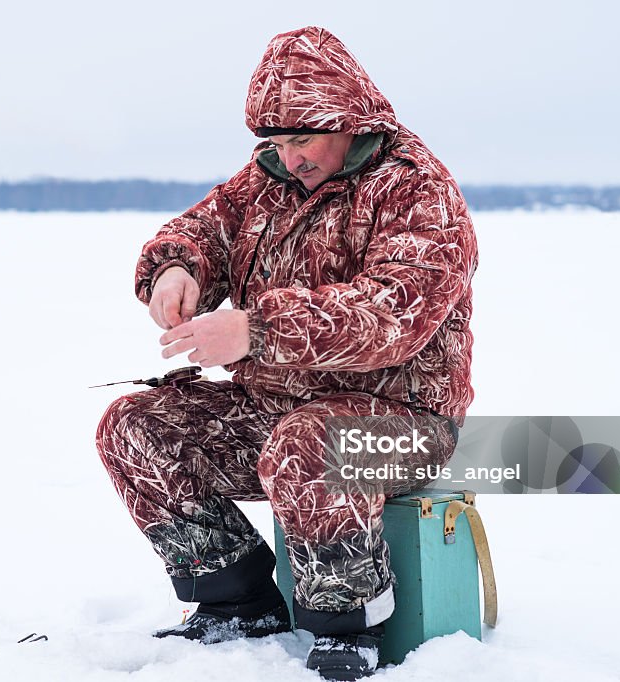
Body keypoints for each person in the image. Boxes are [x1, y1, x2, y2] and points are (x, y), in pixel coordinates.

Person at [95, 26, 477, 681]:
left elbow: (393, 314)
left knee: (307, 444)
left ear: (347, 122)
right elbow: (200, 231)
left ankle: (350, 624)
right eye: (275, 143)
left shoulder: (417, 189)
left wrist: (258, 329)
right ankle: (236, 602)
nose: (289, 157)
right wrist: (174, 272)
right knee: (134, 427)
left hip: (403, 420)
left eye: (302, 140)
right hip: (274, 404)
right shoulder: (266, 179)